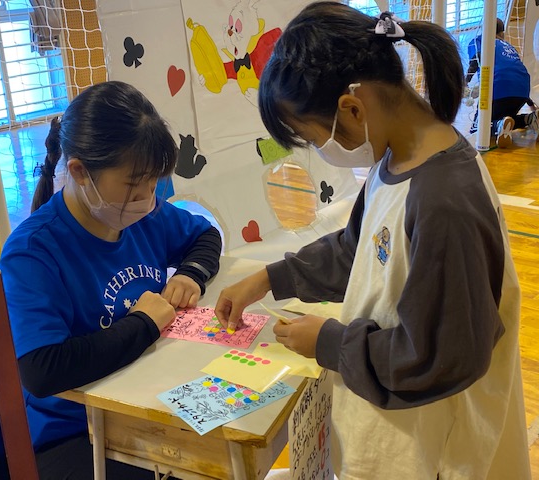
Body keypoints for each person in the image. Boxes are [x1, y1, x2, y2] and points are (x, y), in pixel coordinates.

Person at [215, 3, 530, 479]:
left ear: (352, 108)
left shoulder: (444, 200)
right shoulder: (396, 159)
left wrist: (330, 342)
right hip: (395, 426)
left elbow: (439, 358)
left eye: (313, 138)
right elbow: (356, 250)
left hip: (434, 449)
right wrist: (268, 278)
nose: (320, 150)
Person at [0, 81, 222, 479]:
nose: (148, 198)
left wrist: (191, 274)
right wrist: (143, 324)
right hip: (74, 433)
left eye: (154, 183)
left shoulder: (145, 215)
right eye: (135, 185)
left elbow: (205, 236)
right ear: (80, 172)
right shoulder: (33, 252)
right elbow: (42, 370)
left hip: (154, 403)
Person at [466, 17, 536, 148]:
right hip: (522, 92)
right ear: (502, 34)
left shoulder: (478, 41)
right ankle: (529, 119)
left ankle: (498, 125)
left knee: (477, 129)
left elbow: (476, 60)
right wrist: (531, 104)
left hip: (498, 90)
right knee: (507, 118)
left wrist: (465, 82)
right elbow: (513, 74)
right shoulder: (509, 47)